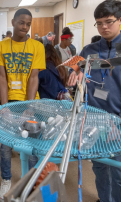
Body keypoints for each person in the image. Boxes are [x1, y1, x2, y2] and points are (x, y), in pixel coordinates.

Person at [68, 1, 121, 202]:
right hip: (93, 119)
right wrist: (76, 72)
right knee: (99, 168)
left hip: (118, 122)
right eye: (99, 23)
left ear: (120, 20)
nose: (104, 27)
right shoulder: (89, 49)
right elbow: (73, 66)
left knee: (118, 172)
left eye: (108, 22)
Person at [0, 8, 46, 202]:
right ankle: (6, 179)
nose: (25, 26)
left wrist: (30, 107)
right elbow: (1, 76)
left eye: (28, 23)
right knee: (6, 145)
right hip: (9, 100)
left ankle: (29, 180)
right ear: (13, 22)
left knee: (32, 146)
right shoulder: (1, 46)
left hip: (31, 102)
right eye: (21, 22)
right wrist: (4, 106)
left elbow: (34, 77)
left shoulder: (37, 47)